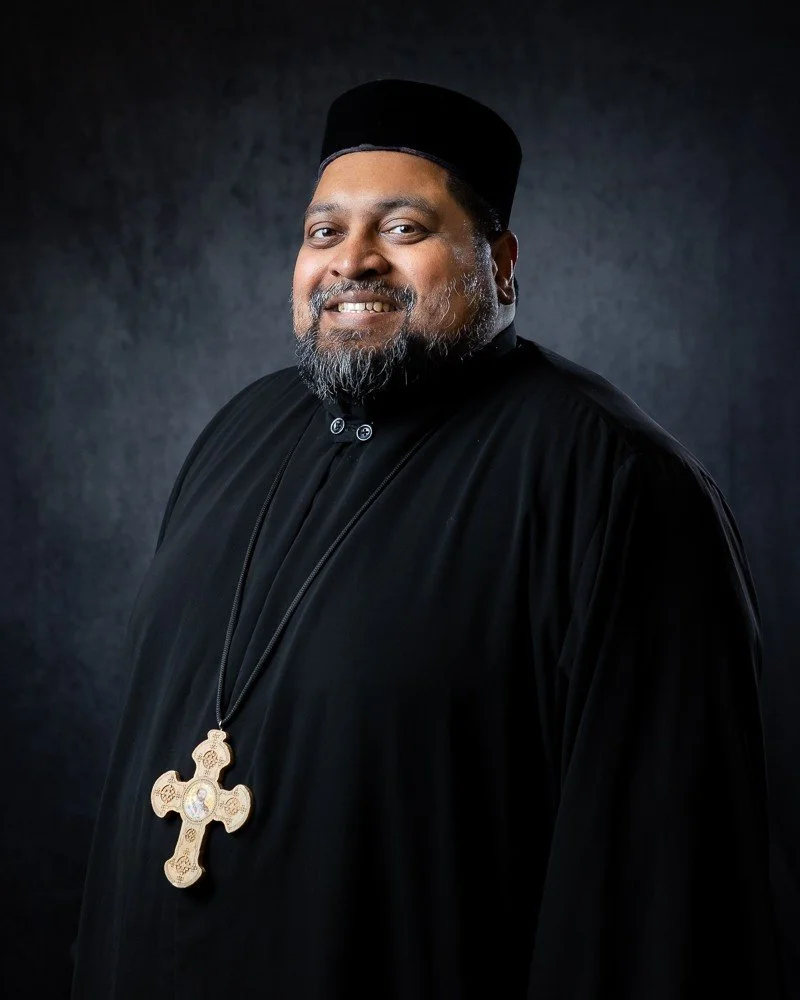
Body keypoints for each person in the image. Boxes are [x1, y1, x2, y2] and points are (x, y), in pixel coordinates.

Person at [71, 79, 786, 998]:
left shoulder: (611, 482)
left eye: (404, 230)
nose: (352, 262)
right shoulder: (239, 433)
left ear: (502, 263)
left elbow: (657, 900)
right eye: (324, 232)